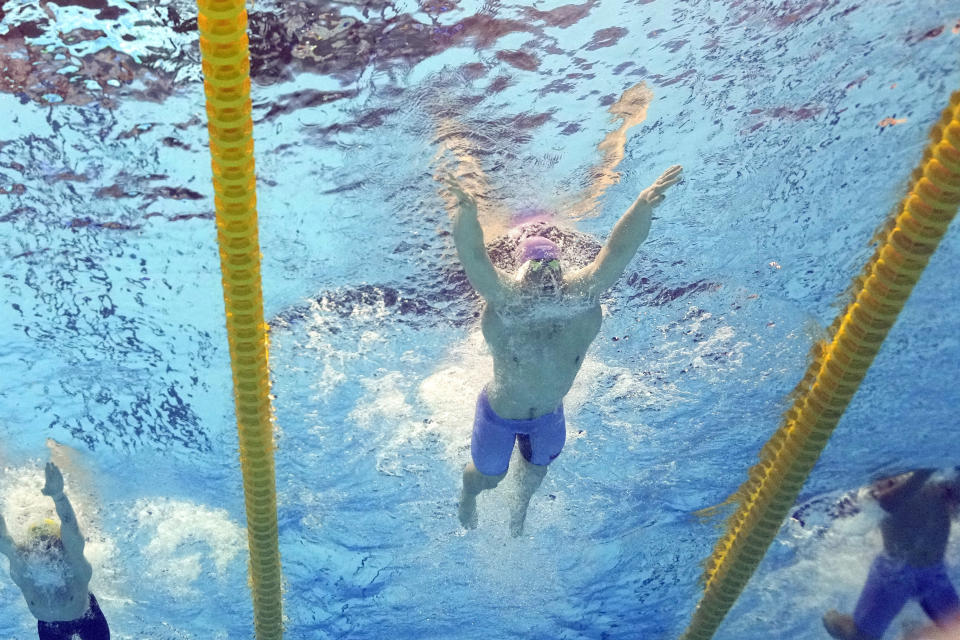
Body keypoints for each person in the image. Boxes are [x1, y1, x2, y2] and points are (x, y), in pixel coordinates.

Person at [444, 164, 683, 535]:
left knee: (535, 474)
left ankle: (519, 507)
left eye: (553, 266)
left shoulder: (582, 296)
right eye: (537, 268)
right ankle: (468, 495)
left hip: (549, 415)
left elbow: (617, 252)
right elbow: (475, 258)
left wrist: (641, 205)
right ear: (522, 273)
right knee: (489, 477)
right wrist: (467, 213)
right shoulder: (507, 301)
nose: (547, 275)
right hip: (500, 414)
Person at [823, 469, 960, 640]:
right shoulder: (883, 484)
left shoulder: (939, 480)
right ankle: (845, 626)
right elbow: (888, 502)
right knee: (861, 638)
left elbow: (954, 505)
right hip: (894, 574)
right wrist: (926, 471)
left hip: (934, 574)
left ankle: (914, 632)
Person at [0, 462, 109, 639]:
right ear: (31, 544)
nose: (44, 547)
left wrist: (58, 496)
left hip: (88, 619)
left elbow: (70, 527)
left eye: (49, 542)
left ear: (59, 542)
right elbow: (2, 539)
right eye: (38, 543)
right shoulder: (23, 560)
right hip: (49, 627)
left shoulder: (74, 563)